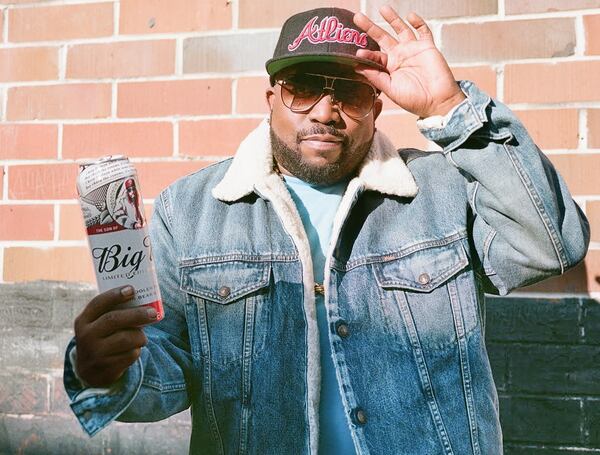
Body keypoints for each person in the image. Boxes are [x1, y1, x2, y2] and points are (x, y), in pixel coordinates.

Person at [63, 6, 590, 454]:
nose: (326, 111)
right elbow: (172, 367)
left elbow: (549, 245)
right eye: (306, 88)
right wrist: (110, 370)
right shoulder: (193, 207)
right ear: (271, 96)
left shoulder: (443, 188)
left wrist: (450, 110)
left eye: (350, 93)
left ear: (377, 107)